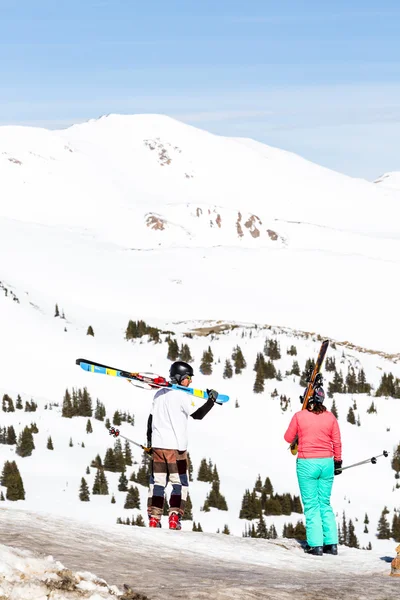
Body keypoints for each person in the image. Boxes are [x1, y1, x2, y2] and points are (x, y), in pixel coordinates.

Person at [146, 360, 218, 530]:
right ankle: (174, 517)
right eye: (188, 378)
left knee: (157, 483)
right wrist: (211, 401)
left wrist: (149, 443)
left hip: (158, 446)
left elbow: (150, 420)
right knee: (179, 483)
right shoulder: (181, 396)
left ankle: (154, 518)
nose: (190, 381)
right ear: (179, 378)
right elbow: (198, 414)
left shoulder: (158, 394)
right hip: (176, 449)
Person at [284, 384, 342, 556]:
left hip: (307, 463)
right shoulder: (330, 417)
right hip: (327, 464)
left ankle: (315, 545)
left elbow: (288, 438)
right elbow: (337, 442)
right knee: (324, 502)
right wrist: (338, 462)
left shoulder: (299, 416)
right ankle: (331, 544)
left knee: (311, 505)